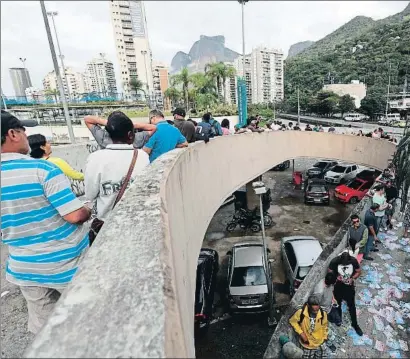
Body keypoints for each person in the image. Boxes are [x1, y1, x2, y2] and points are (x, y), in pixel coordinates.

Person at [1, 110, 91, 334]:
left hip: (25, 268)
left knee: (46, 331)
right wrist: (87, 209)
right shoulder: (42, 169)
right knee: (84, 321)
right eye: (23, 131)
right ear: (12, 134)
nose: (25, 136)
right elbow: (74, 215)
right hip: (65, 264)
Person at [85, 111, 150, 220]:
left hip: (107, 222)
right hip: (137, 219)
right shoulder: (142, 156)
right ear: (130, 135)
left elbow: (90, 195)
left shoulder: (95, 158)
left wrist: (111, 124)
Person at [328, 252, 363, 336]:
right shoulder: (335, 261)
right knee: (338, 304)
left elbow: (358, 272)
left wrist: (352, 278)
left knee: (352, 306)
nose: (345, 265)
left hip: (349, 287)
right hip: (338, 287)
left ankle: (355, 324)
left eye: (346, 264)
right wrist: (336, 277)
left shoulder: (353, 261)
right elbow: (330, 272)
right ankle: (339, 319)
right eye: (343, 264)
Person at [84, 114, 156, 149]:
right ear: (130, 134)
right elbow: (153, 128)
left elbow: (87, 119)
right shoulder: (135, 140)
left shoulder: (103, 139)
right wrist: (131, 125)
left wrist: (110, 124)